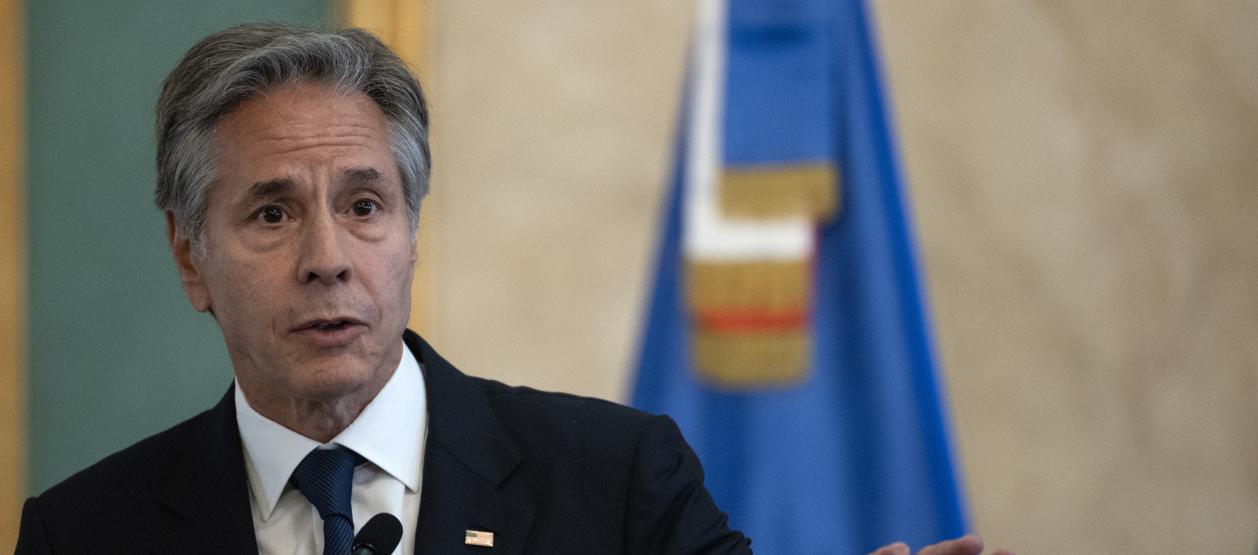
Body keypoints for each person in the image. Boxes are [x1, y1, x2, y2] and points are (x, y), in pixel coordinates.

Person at [15, 23, 1007, 555]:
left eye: (364, 206)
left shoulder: (618, 483)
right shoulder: (83, 534)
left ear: (411, 230)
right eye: (272, 214)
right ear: (190, 256)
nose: (329, 257)